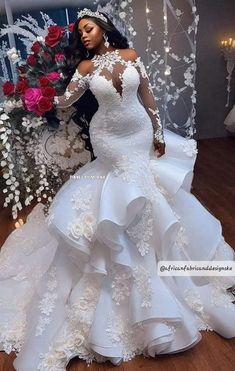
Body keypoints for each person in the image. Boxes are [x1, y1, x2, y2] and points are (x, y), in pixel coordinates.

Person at [0, 8, 235, 371]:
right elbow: (67, 101)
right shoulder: (84, 70)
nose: (86, 36)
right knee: (126, 191)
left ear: (104, 27)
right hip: (108, 137)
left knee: (149, 193)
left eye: (89, 29)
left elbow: (148, 97)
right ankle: (130, 259)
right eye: (81, 34)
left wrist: (157, 132)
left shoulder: (130, 57)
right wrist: (41, 97)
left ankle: (164, 259)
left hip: (138, 130)